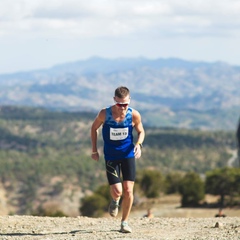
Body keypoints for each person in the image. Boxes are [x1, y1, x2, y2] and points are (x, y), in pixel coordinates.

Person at [91, 86, 145, 233]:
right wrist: (94, 150)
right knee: (118, 191)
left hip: (128, 155)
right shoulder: (105, 113)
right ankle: (115, 201)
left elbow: (141, 131)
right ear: (115, 100)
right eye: (120, 104)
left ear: (130, 101)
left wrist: (139, 145)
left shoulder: (134, 115)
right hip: (111, 157)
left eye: (126, 104)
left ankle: (124, 222)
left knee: (128, 191)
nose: (123, 107)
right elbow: (93, 128)